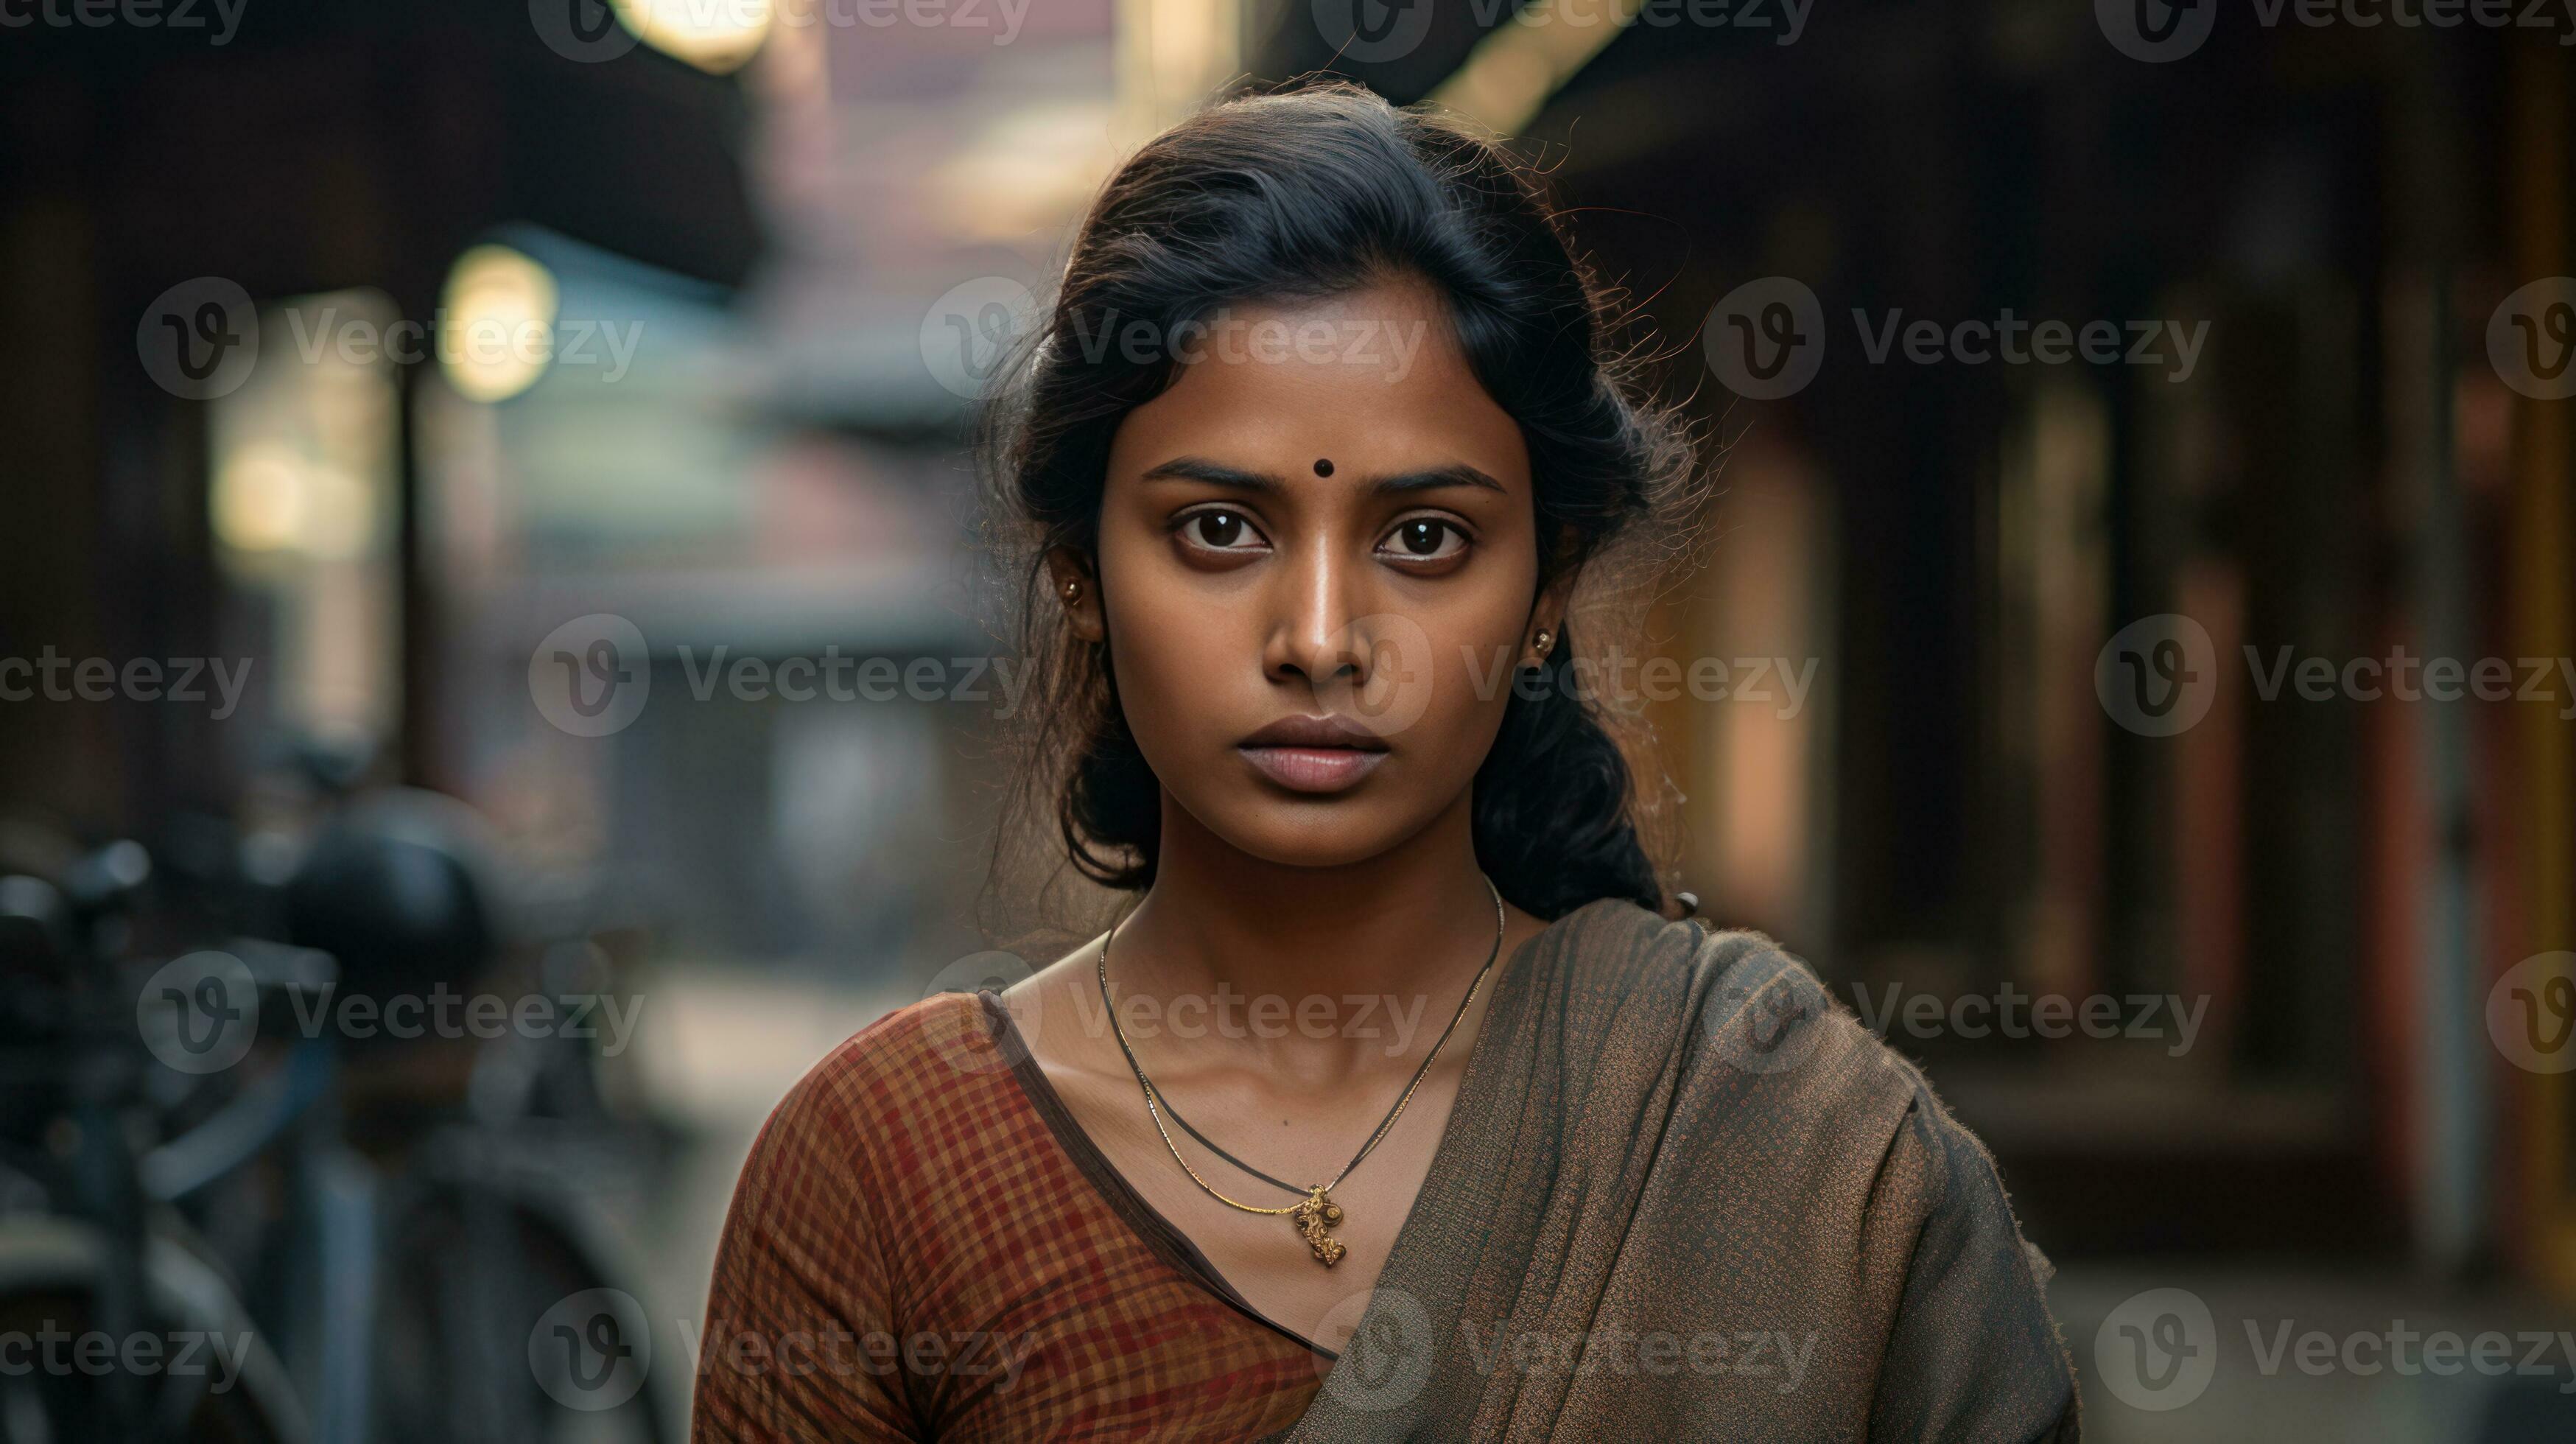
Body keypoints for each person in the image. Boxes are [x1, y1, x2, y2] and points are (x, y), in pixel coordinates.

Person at [690, 80, 2080, 1442]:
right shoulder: (890, 1167)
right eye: (1219, 531)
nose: (1318, 639)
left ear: (1547, 590)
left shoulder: (1791, 1145)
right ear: (1081, 575)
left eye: (1423, 538)